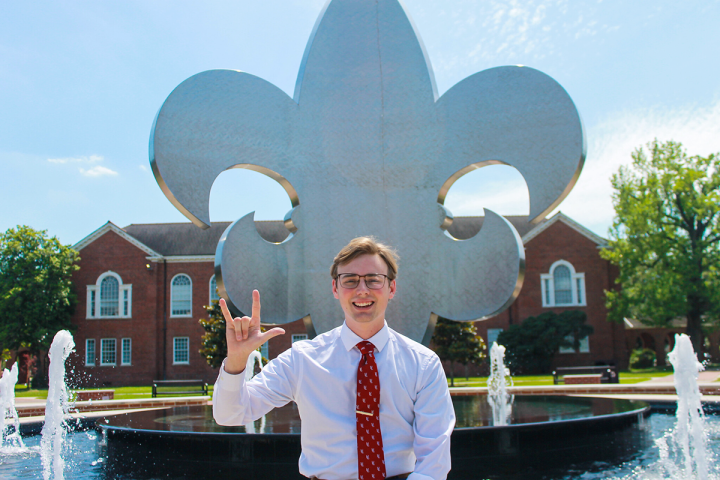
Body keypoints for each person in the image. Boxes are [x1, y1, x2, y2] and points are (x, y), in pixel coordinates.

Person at [213, 237, 455, 480]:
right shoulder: (302, 360)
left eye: (373, 279)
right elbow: (230, 414)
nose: (362, 290)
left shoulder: (424, 364)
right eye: (350, 280)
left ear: (391, 288)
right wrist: (236, 361)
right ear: (335, 289)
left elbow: (433, 462)